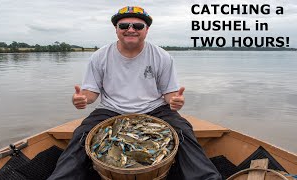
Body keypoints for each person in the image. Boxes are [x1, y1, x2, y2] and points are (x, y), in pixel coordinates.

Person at [48, 6, 222, 180]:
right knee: (82, 134)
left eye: (138, 26)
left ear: (146, 30)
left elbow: (170, 94)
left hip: (155, 109)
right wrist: (81, 99)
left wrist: (175, 101)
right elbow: (90, 93)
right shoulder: (99, 56)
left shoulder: (162, 56)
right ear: (116, 29)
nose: (130, 29)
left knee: (183, 131)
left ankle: (206, 177)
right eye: (124, 26)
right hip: (111, 109)